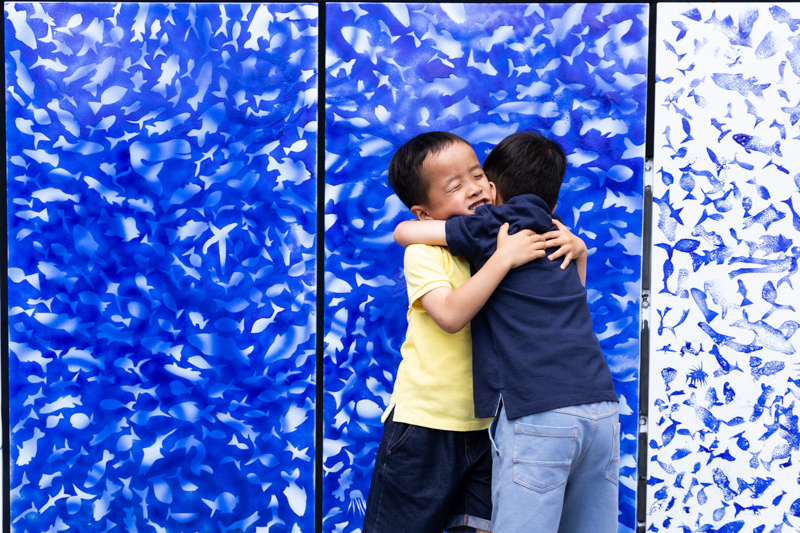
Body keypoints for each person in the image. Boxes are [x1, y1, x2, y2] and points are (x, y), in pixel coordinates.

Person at [394, 131, 620, 533]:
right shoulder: (555, 230)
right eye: (458, 184)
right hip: (602, 408)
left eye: (479, 176)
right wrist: (580, 250)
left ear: (495, 189)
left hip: (538, 409)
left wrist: (497, 251)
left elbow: (404, 233)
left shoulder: (491, 226)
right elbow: (573, 301)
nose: (476, 190)